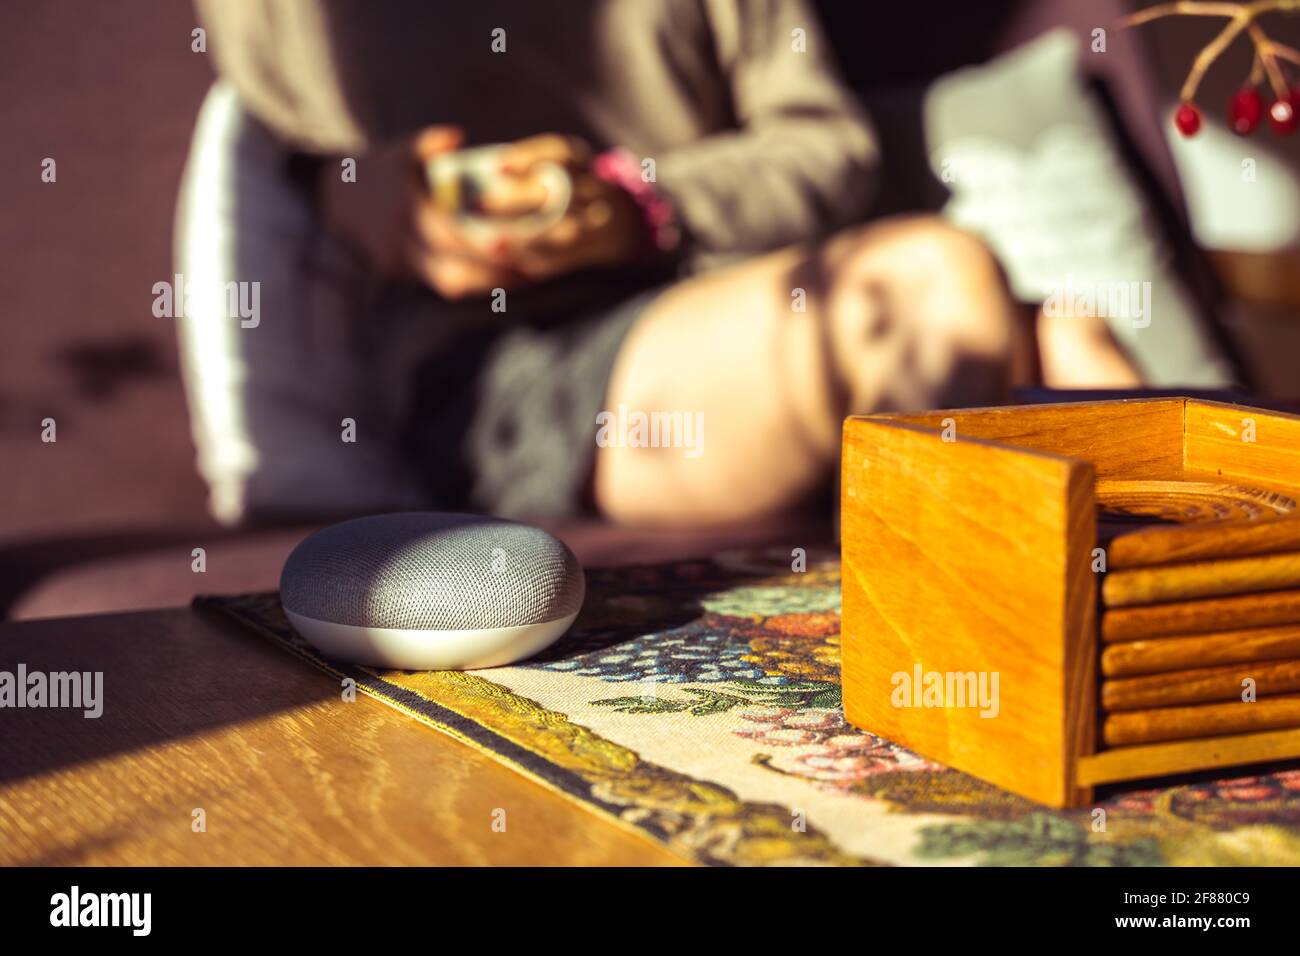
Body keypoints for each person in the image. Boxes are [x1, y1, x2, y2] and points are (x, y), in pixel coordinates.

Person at [177, 0, 1143, 529]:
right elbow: (286, 153)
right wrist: (370, 191)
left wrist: (643, 206)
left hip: (724, 298)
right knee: (946, 298)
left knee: (1022, 324)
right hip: (505, 371)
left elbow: (829, 152)